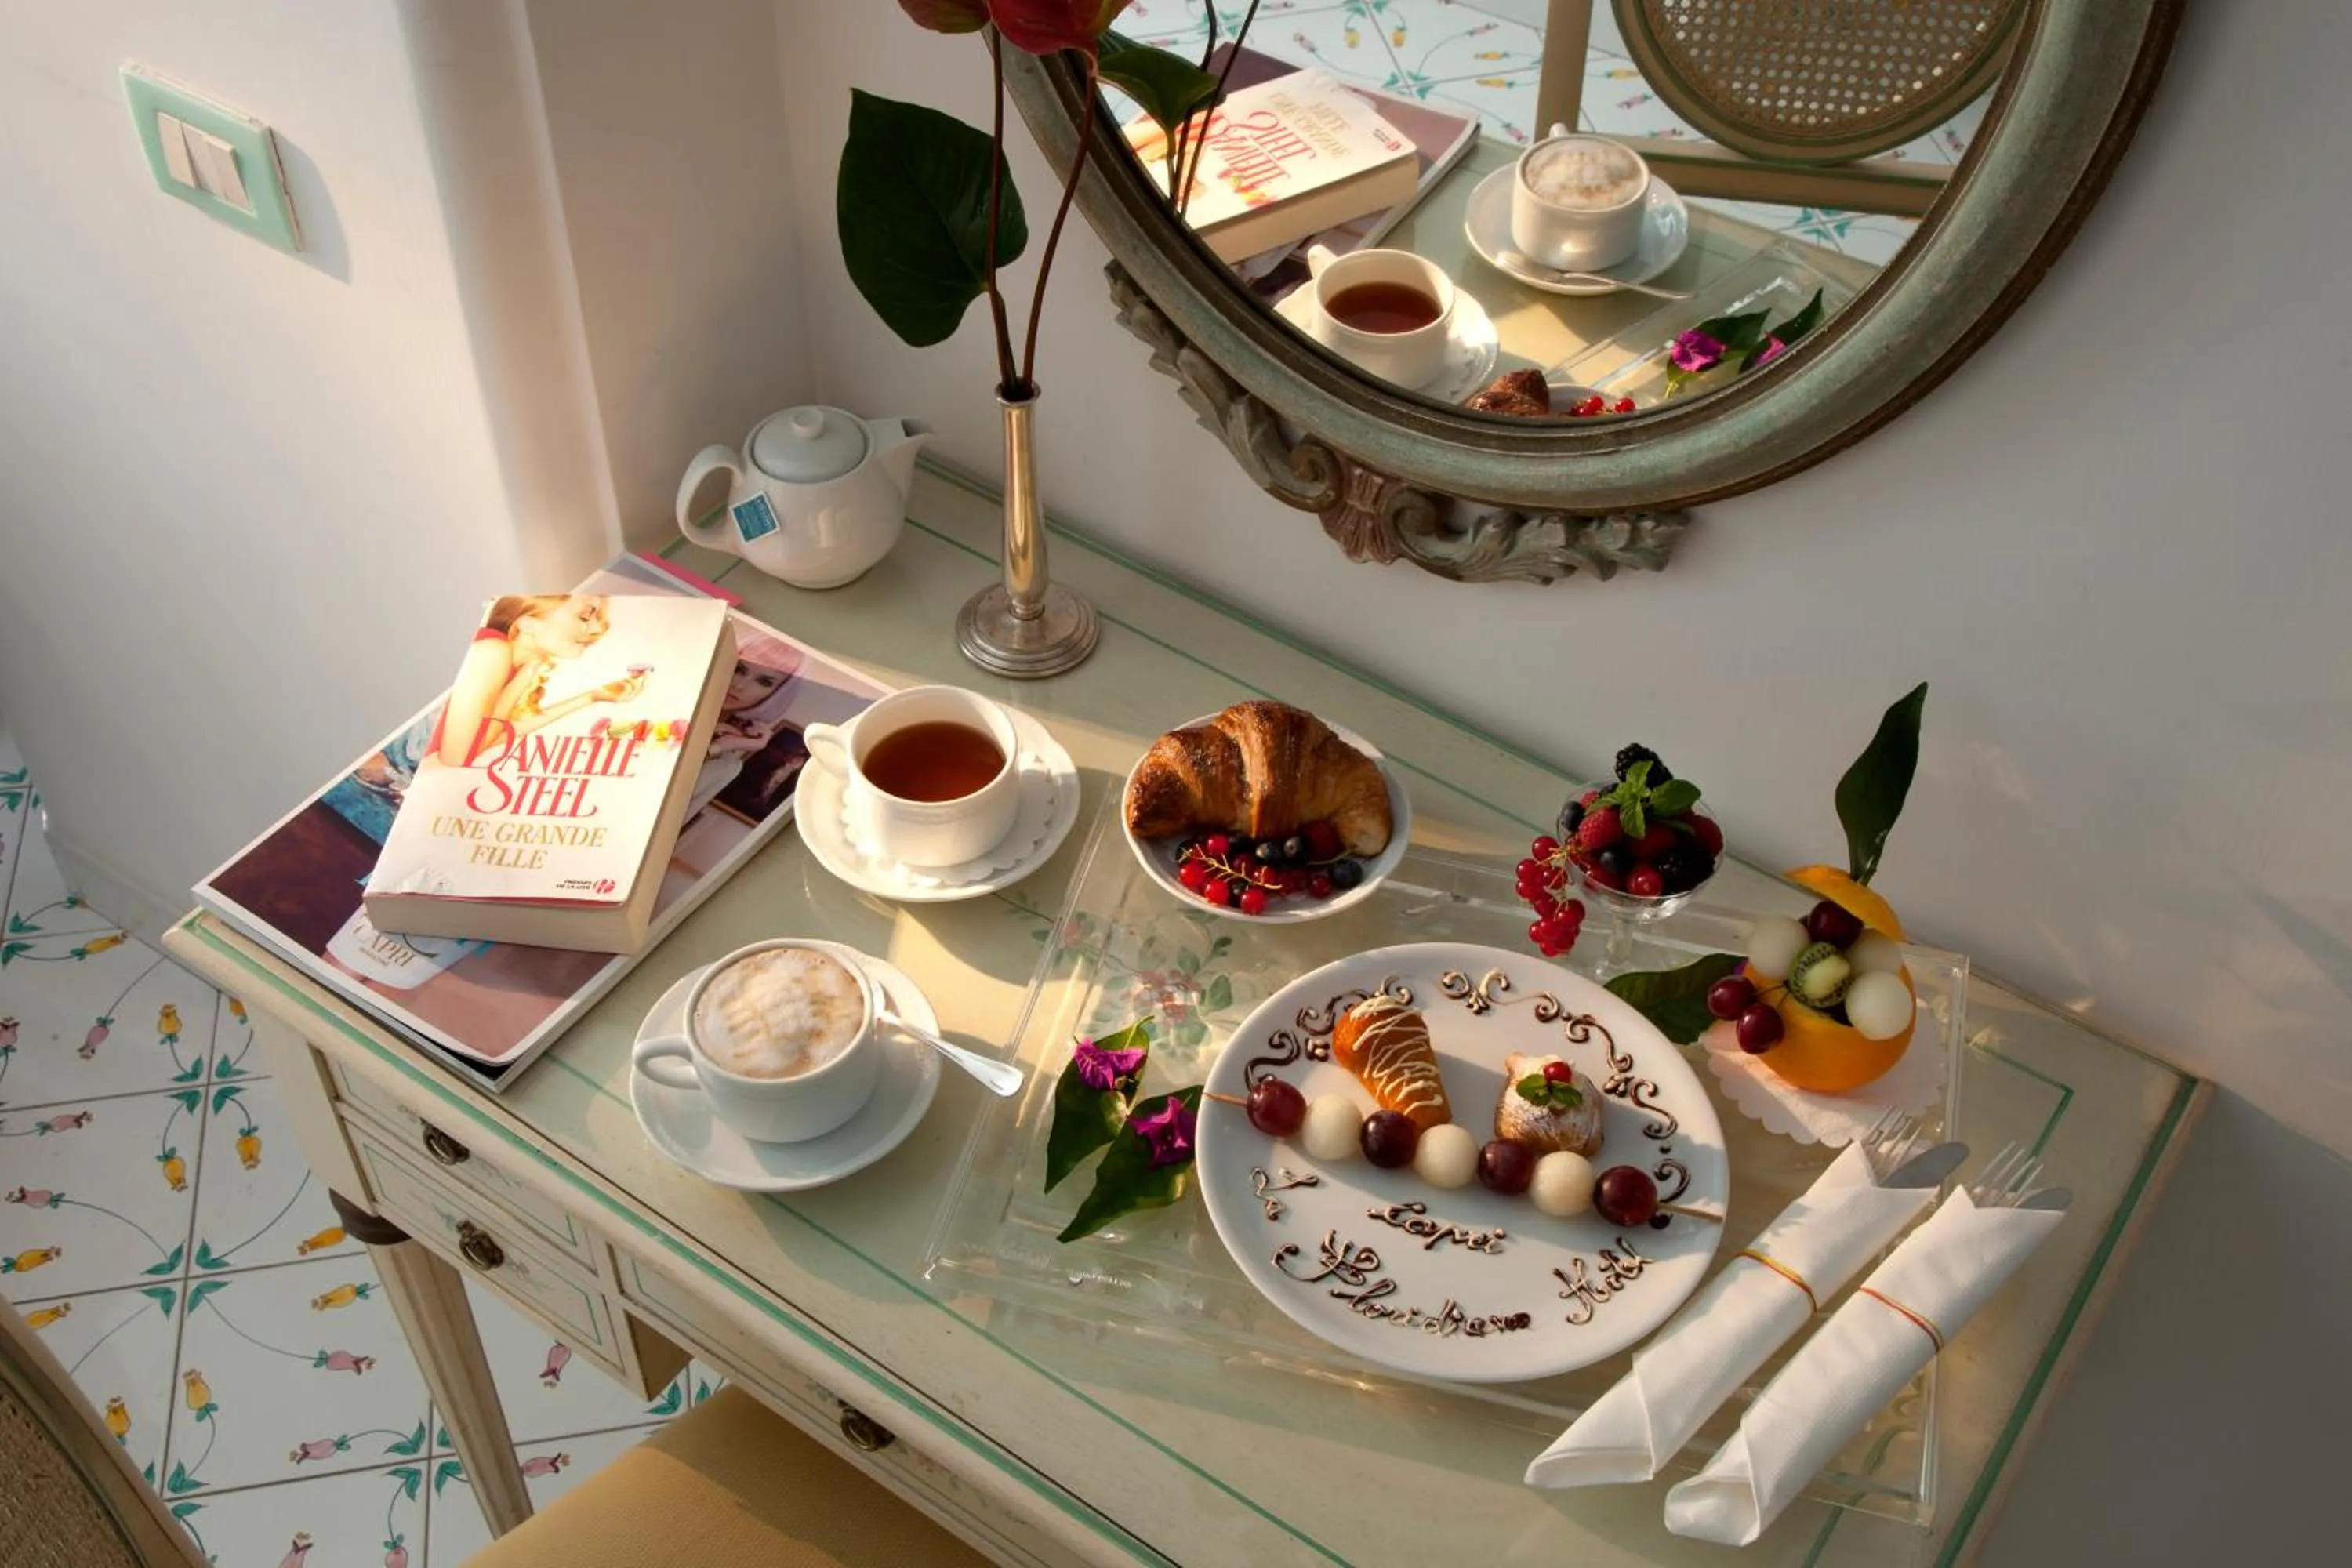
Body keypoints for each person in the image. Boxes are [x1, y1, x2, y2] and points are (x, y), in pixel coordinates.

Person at [430, 594, 644, 767]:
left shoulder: (515, 665)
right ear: (527, 624)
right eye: (584, 617)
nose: (597, 629)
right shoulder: (492, 651)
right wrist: (524, 677)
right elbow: (457, 759)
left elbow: (483, 742)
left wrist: (591, 697)